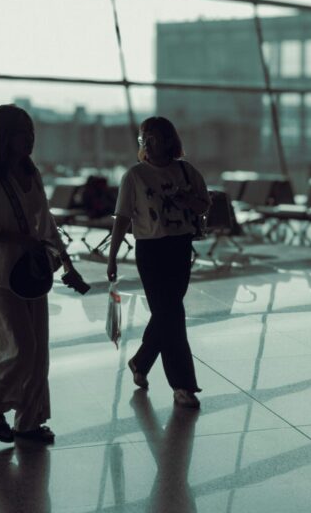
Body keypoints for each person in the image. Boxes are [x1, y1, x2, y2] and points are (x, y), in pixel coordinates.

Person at [0, 104, 75, 445]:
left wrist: (66, 260)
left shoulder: (31, 172)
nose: (29, 139)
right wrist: (17, 239)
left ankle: (29, 423)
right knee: (19, 347)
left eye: (31, 132)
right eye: (20, 133)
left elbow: (46, 222)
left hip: (31, 272)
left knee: (38, 352)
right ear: (2, 136)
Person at [107, 117, 210, 409]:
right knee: (172, 315)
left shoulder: (186, 172)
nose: (147, 144)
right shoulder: (135, 176)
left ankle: (141, 361)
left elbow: (204, 205)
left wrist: (186, 199)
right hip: (150, 251)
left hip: (179, 247)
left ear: (168, 141)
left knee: (167, 313)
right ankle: (183, 385)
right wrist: (112, 256)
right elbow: (123, 219)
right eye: (143, 139)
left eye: (153, 138)